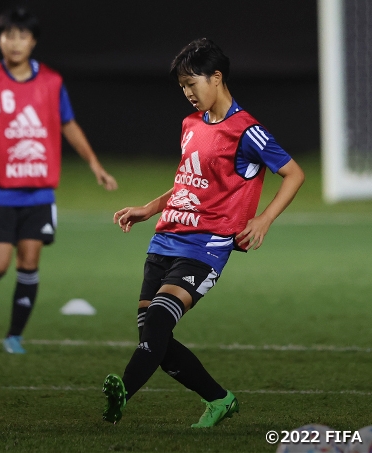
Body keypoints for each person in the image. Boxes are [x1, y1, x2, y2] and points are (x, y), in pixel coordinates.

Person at [101, 38, 305, 427]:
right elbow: (187, 182)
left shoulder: (246, 130)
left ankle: (122, 392)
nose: (188, 94)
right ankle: (220, 400)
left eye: (191, 84)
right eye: (182, 87)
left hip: (205, 247)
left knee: (157, 324)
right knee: (154, 338)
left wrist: (263, 219)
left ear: (216, 77)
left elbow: (294, 173)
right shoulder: (191, 125)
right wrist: (149, 208)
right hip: (165, 238)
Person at [0, 7, 118, 354]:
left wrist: (94, 164)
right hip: (0, 191)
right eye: (9, 35)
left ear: (33, 41)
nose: (15, 43)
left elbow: (68, 124)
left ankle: (14, 336)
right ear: (0, 39)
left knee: (29, 262)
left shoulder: (51, 81)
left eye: (23, 36)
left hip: (39, 192)